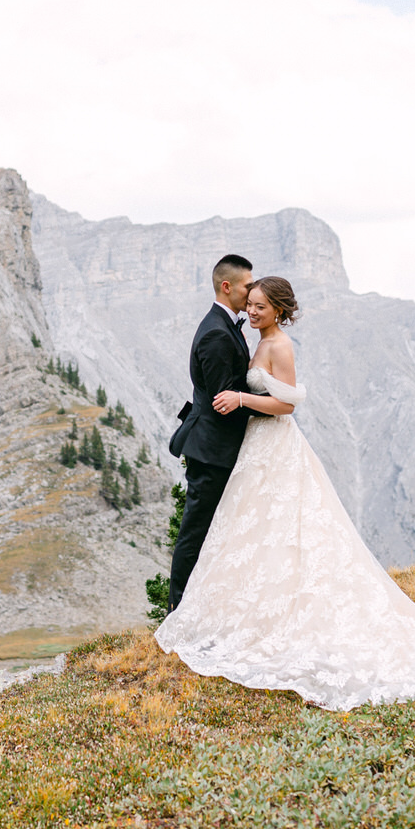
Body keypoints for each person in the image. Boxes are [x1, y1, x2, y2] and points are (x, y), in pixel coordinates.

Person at [156, 275, 415, 711]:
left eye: (261, 306)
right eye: (252, 303)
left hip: (275, 443)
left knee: (289, 525)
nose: (253, 311)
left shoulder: (280, 345)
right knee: (253, 529)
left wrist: (242, 400)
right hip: (255, 448)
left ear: (278, 309)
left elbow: (288, 404)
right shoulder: (255, 339)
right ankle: (256, 609)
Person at [166, 254, 260, 611]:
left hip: (218, 447)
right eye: (248, 286)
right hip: (212, 450)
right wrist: (274, 402)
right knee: (195, 532)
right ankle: (177, 614)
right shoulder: (217, 333)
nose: (251, 292)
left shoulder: (223, 325)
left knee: (214, 530)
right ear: (227, 286)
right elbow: (225, 400)